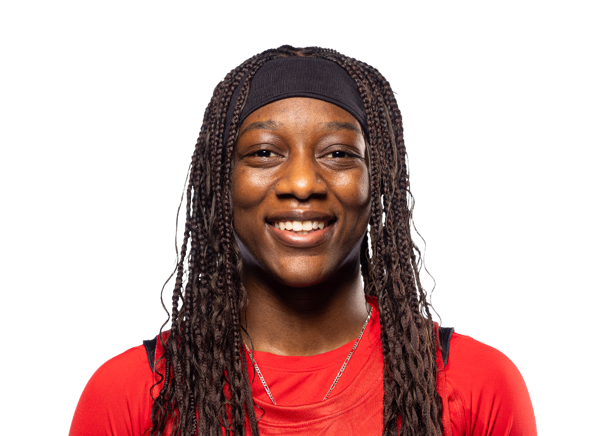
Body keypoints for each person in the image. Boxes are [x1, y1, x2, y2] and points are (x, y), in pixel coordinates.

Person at [69, 45, 537, 436]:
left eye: (338, 153)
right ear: (221, 184)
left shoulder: (475, 384)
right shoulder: (133, 394)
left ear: (377, 181)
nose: (301, 183)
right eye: (264, 152)